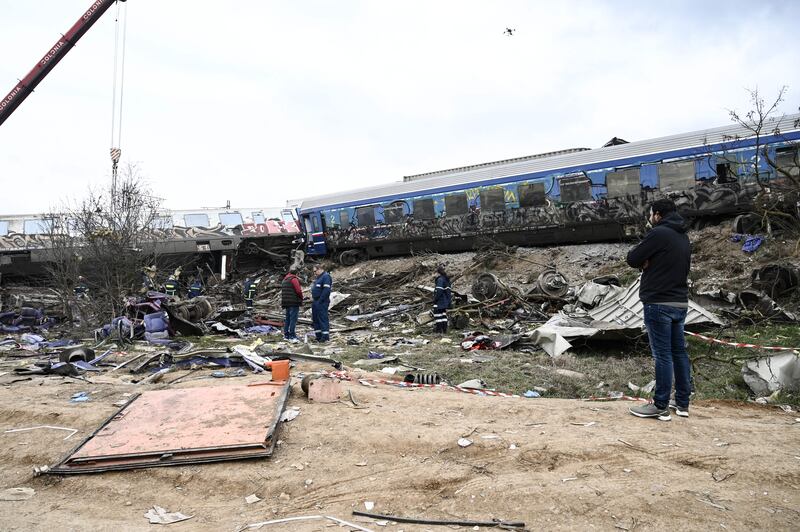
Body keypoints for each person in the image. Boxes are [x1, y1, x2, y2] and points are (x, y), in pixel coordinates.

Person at [626, 198, 692, 421]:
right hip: (680, 302)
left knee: (662, 354)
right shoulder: (683, 236)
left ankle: (660, 405)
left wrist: (647, 261)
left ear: (658, 215)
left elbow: (633, 258)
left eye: (652, 214)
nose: (651, 218)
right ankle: (682, 403)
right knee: (679, 353)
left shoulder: (659, 233)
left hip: (659, 303)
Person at [281, 266, 303, 342]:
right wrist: (301, 298)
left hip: (286, 302)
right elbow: (298, 291)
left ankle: (286, 334)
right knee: (293, 319)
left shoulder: (284, 279)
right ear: (297, 273)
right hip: (294, 302)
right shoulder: (294, 279)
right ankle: (292, 335)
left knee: (287, 319)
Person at [310, 264, 332, 342]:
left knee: (322, 318)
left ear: (320, 269)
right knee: (315, 319)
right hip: (315, 301)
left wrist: (321, 300)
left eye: (315, 271)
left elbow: (326, 290)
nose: (314, 273)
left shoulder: (326, 276)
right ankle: (318, 336)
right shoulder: (318, 278)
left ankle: (325, 336)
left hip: (322, 301)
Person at [432, 264, 452, 333]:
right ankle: (444, 330)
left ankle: (439, 330)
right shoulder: (447, 280)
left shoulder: (440, 279)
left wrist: (435, 299)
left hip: (440, 301)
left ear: (438, 272)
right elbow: (449, 293)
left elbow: (439, 291)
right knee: (443, 315)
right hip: (445, 302)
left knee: (437, 315)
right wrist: (449, 302)